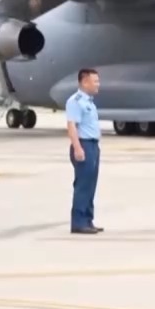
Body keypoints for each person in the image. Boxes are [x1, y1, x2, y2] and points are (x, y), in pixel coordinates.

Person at [66, 69, 104, 235]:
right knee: (82, 185)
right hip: (83, 145)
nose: (98, 84)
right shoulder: (75, 101)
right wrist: (77, 148)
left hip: (93, 145)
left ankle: (88, 220)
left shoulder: (90, 102)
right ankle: (78, 223)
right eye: (95, 81)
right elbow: (72, 126)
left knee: (91, 184)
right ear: (84, 82)